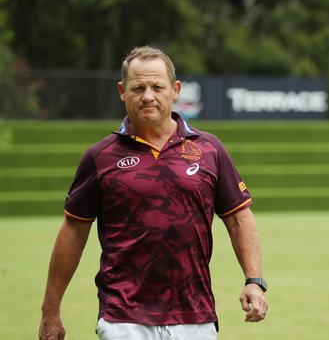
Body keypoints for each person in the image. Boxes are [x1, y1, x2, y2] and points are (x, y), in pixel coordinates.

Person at [39, 46, 269, 340]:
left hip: (195, 315)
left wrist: (254, 281)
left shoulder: (209, 149)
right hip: (124, 317)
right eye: (138, 88)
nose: (148, 96)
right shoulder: (100, 157)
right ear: (122, 91)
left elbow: (238, 218)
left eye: (157, 87)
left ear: (175, 90)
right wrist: (51, 310)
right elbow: (73, 232)